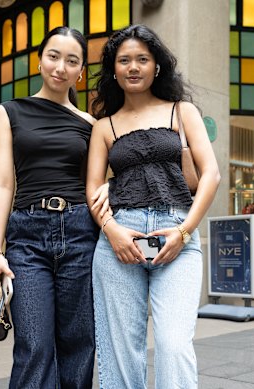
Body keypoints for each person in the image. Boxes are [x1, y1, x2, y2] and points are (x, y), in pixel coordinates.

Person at [86, 24, 221, 388]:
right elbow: (93, 190)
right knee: (120, 349)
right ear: (113, 69)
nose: (133, 67)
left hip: (176, 232)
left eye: (142, 59)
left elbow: (211, 176)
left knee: (173, 344)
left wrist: (183, 232)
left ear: (156, 66)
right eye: (124, 60)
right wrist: (112, 232)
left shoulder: (182, 112)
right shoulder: (104, 127)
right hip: (120, 239)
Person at [0, 26, 108, 388]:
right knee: (33, 345)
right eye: (54, 56)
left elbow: (100, 181)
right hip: (26, 237)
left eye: (72, 61)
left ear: (81, 72)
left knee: (79, 343)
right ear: (40, 61)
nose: (61, 67)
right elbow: (3, 184)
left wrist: (111, 191)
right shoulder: (9, 112)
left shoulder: (91, 124)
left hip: (80, 233)